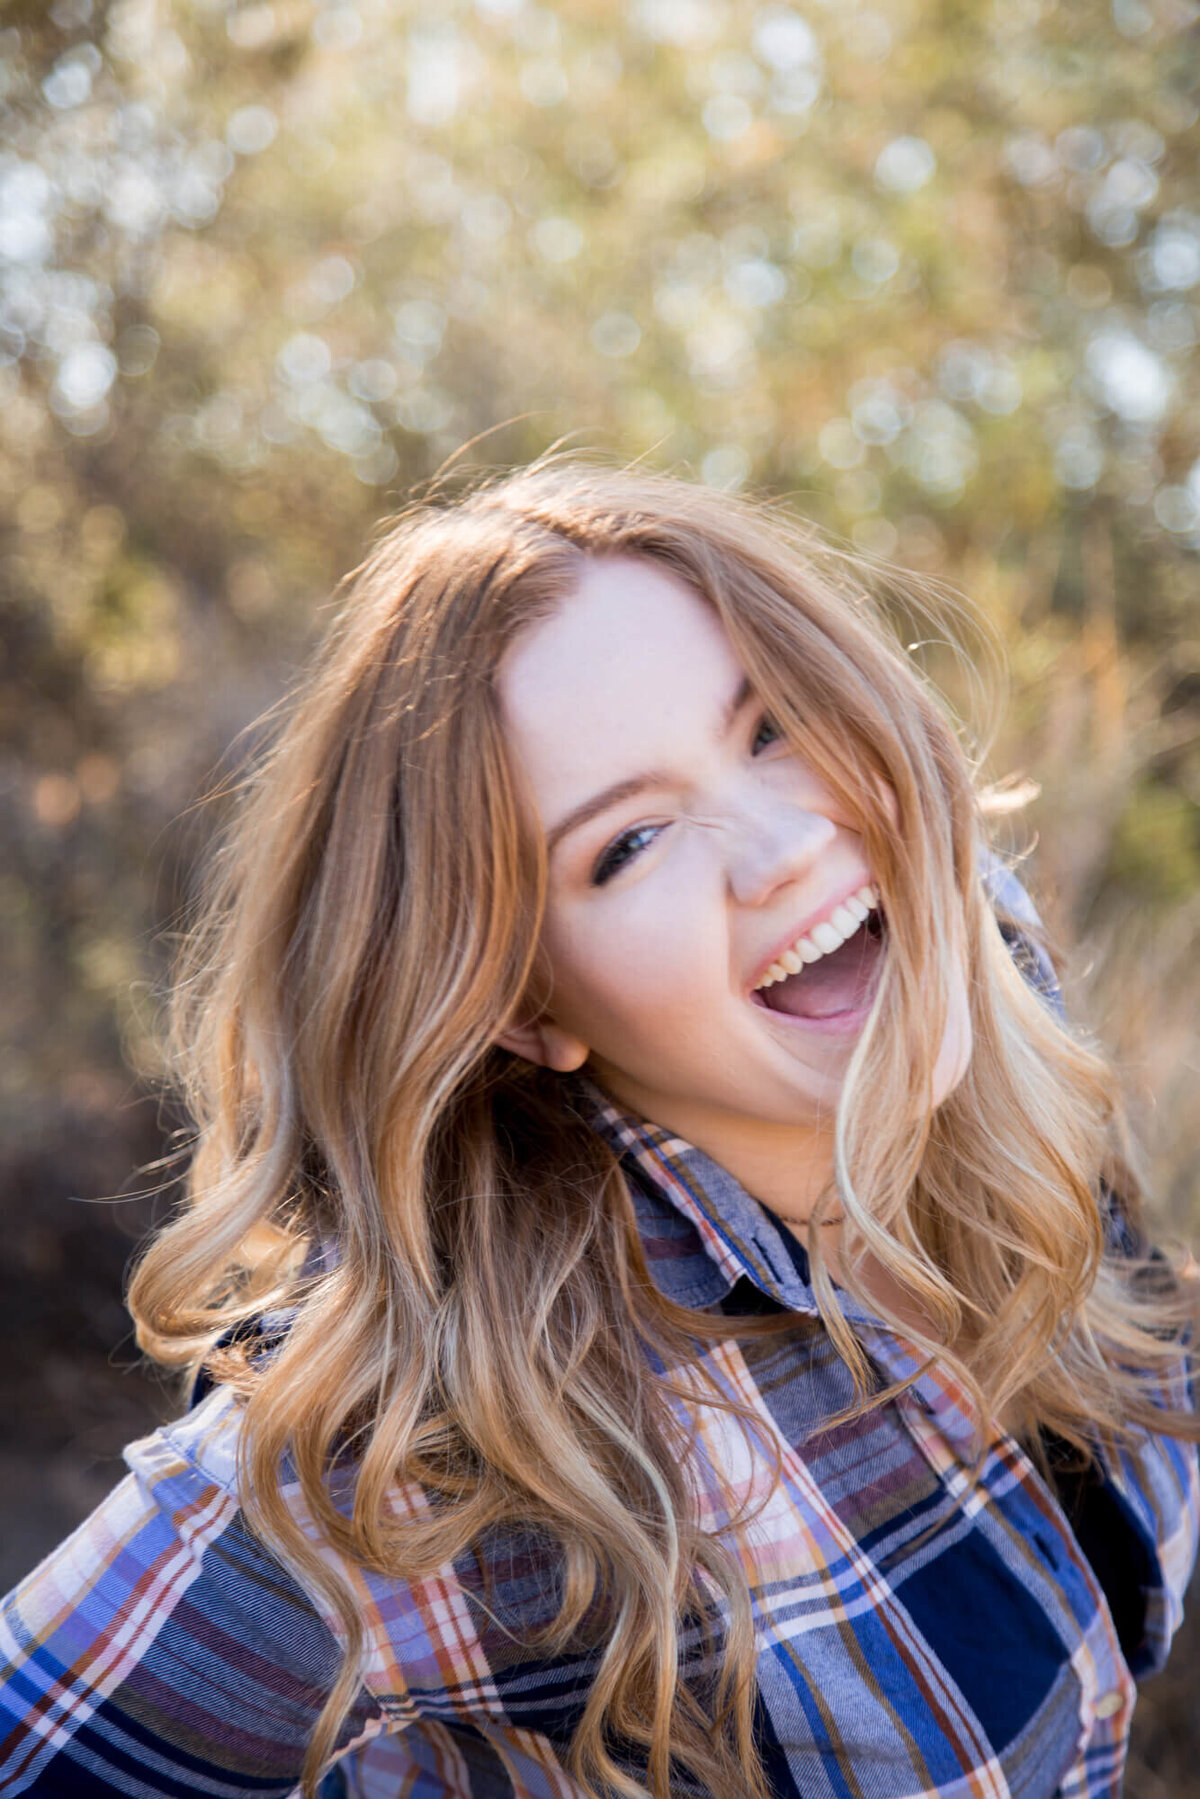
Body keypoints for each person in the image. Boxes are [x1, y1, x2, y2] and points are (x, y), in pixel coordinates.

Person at [1, 456, 1197, 1799]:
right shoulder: (413, 1466)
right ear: (521, 1007)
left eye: (774, 726)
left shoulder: (988, 954)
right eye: (627, 845)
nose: (782, 849)